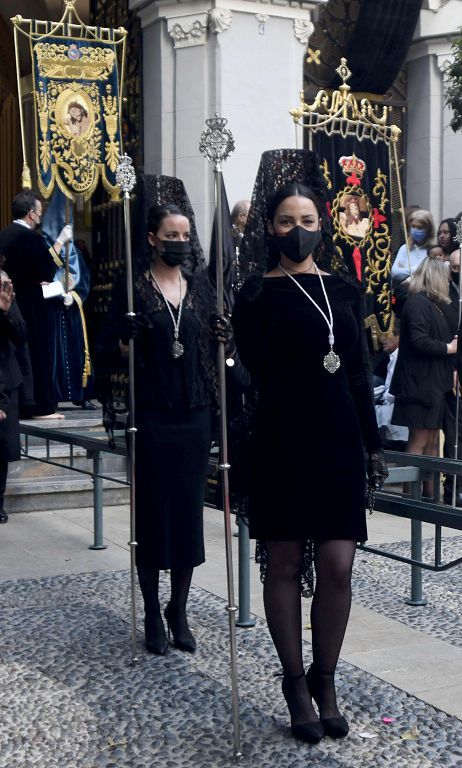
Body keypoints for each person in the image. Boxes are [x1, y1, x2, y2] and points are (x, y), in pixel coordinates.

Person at [232, 175, 387, 744]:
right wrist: (229, 349)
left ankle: (326, 679)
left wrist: (372, 445)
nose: (297, 231)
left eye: (307, 221)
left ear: (322, 225)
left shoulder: (344, 291)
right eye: (285, 222)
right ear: (269, 230)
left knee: (340, 564)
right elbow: (250, 376)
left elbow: (358, 374)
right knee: (285, 562)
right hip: (282, 439)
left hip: (339, 438)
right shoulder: (252, 294)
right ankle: (295, 684)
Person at [103, 198, 216, 656]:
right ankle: (151, 608)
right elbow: (113, 355)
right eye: (172, 236)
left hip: (193, 414)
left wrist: (223, 335)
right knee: (152, 515)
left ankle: (179, 608)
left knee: (188, 515)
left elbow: (209, 350)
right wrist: (126, 340)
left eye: (186, 237)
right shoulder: (133, 290)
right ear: (152, 239)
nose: (180, 244)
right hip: (152, 415)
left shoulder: (200, 287)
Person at [0, 191, 72, 418]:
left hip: (8, 302)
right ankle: (39, 406)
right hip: (30, 304)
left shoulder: (3, 234)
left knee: (13, 355)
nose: (40, 217)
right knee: (37, 354)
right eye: (39, 212)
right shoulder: (29, 237)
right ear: (31, 214)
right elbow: (47, 270)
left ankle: (19, 404)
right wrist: (60, 242)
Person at [390, 257, 457, 497]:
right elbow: (419, 341)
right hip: (418, 383)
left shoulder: (433, 303)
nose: (449, 282)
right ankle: (412, 498)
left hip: (433, 383)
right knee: (418, 442)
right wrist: (448, 348)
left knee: (431, 443)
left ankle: (430, 498)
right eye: (446, 277)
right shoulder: (416, 302)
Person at [0, 271, 31, 523]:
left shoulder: (7, 294)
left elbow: (20, 336)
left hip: (6, 380)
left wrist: (6, 311)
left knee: (2, 448)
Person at [441, 248, 462, 505]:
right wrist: (453, 368)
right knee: (456, 431)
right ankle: (453, 486)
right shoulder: (447, 296)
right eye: (454, 267)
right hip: (455, 369)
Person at [391, 209, 435, 285]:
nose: (415, 230)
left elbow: (430, 274)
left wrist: (404, 269)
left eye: (420, 227)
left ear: (428, 229)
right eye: (413, 226)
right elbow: (395, 273)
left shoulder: (433, 250)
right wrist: (419, 269)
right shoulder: (404, 248)